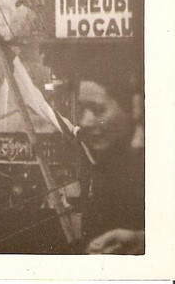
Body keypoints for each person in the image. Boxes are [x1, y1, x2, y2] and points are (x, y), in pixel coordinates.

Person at [77, 71, 145, 254]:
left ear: (132, 110)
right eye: (82, 109)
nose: (85, 122)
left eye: (97, 109)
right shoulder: (105, 165)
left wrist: (142, 241)